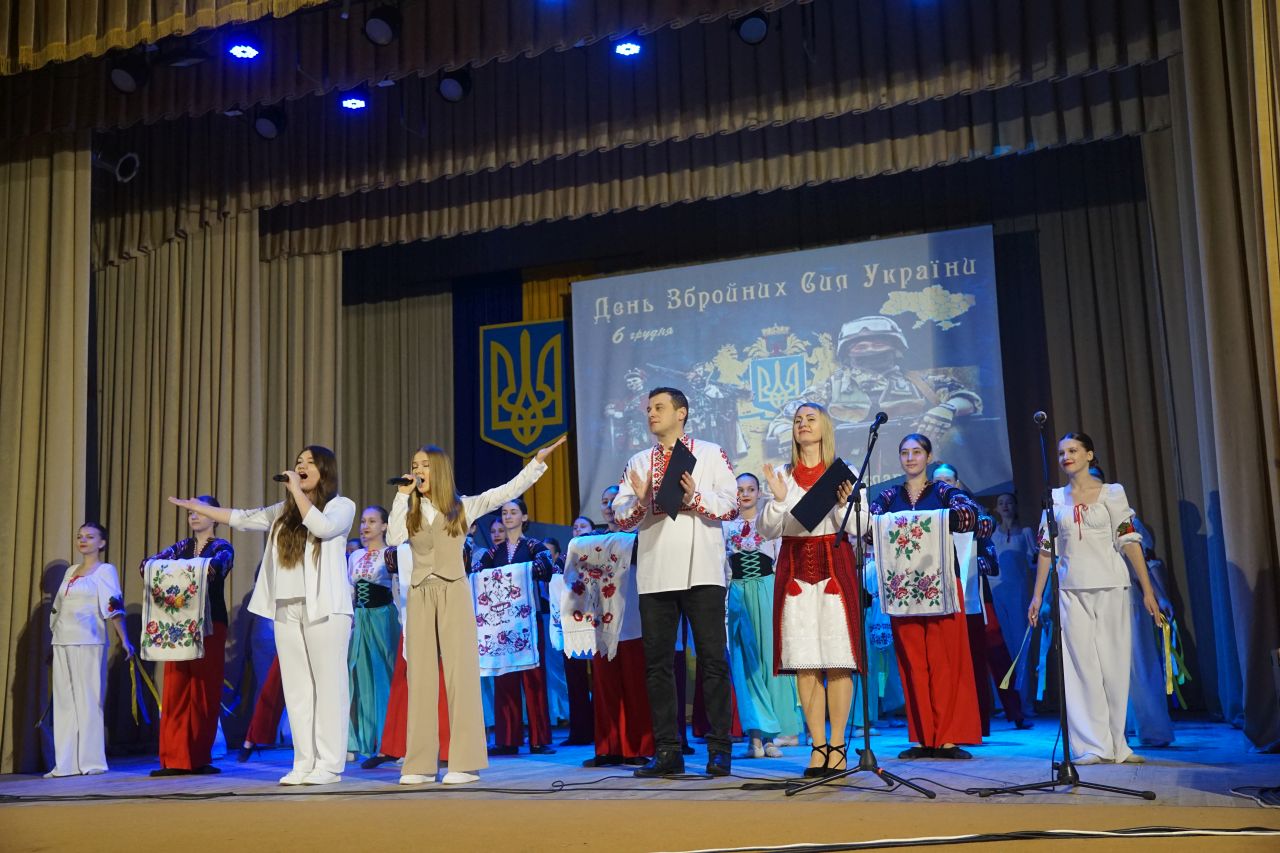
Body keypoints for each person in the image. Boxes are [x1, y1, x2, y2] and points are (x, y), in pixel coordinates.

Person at [171, 445, 356, 786]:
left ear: (325, 470)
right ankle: (303, 763)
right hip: (286, 606)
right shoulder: (283, 511)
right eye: (298, 461)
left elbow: (322, 528)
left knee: (329, 686)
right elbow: (242, 518)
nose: (300, 466)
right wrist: (200, 508)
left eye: (309, 462)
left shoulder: (341, 506)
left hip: (326, 608)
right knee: (297, 688)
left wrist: (297, 493)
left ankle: (329, 765)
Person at [387, 437, 566, 786]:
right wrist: (401, 496)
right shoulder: (409, 509)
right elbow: (394, 538)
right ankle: (420, 764)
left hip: (453, 590)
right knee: (420, 677)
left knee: (460, 675)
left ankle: (465, 762)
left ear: (439, 470)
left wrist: (536, 464)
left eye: (424, 465)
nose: (417, 470)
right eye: (414, 465)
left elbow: (506, 491)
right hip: (420, 593)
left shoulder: (463, 507)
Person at [613, 387, 739, 778]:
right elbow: (620, 518)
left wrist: (695, 496)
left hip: (703, 569)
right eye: (649, 408)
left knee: (712, 660)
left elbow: (731, 504)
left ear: (681, 413)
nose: (651, 413)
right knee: (658, 666)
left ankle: (719, 749)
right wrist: (640, 501)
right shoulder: (638, 461)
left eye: (659, 407)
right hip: (655, 572)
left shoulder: (710, 453)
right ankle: (667, 750)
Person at [1028, 434, 1162, 765]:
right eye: (1062, 452)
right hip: (1071, 591)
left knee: (1114, 665)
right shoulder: (1055, 499)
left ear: (1089, 454)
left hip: (1112, 586)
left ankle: (1117, 744)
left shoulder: (1112, 493)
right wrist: (1037, 595)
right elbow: (1046, 550)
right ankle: (1092, 745)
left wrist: (1148, 590)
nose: (1066, 456)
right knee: (1080, 668)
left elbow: (1130, 541)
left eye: (1073, 450)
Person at [758, 404, 863, 776]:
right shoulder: (783, 475)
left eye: (810, 419)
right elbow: (767, 529)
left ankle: (838, 745)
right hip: (796, 574)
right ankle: (817, 745)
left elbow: (860, 526)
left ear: (825, 427)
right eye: (797, 420)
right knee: (805, 663)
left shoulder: (844, 473)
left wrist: (843, 506)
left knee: (838, 661)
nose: (802, 424)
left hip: (834, 571)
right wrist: (778, 499)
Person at [868, 434, 985, 759]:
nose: (910, 458)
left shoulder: (944, 492)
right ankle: (922, 737)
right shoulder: (889, 496)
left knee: (944, 662)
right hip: (903, 589)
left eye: (916, 452)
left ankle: (946, 737)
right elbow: (868, 529)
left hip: (941, 585)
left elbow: (971, 517)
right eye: (904, 452)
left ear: (929, 457)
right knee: (913, 664)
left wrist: (927, 521)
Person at [140, 497, 235, 776]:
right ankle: (173, 758)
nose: (193, 516)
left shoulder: (223, 547)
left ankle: (198, 757)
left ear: (214, 517)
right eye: (190, 512)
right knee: (175, 688)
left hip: (210, 623)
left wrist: (177, 570)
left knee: (204, 690)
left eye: (199, 511)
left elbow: (214, 570)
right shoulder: (181, 547)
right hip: (179, 625)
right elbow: (147, 566)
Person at [932, 466, 1030, 734]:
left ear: (957, 483)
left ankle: (1014, 710)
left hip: (975, 595)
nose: (943, 485)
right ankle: (962, 720)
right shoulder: (929, 517)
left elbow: (991, 557)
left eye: (948, 480)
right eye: (938, 481)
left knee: (994, 652)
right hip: (941, 597)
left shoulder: (975, 514)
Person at [46, 523, 135, 777]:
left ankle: (91, 762)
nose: (83, 540)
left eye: (90, 537)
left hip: (89, 640)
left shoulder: (105, 570)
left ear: (102, 543)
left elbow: (113, 606)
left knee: (89, 700)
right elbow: (58, 606)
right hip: (62, 640)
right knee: (64, 702)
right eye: (80, 537)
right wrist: (54, 634)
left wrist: (124, 639)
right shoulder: (71, 571)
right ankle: (65, 764)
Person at [724, 472, 802, 760]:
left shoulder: (770, 522)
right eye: (740, 489)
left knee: (771, 664)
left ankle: (771, 737)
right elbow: (723, 568)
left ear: (759, 493)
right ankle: (754, 738)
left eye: (750, 489)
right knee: (746, 665)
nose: (745, 494)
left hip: (768, 592)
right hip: (738, 593)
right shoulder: (724, 526)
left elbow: (781, 563)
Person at [476, 498, 557, 755]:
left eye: (513, 512)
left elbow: (546, 568)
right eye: (504, 512)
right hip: (501, 624)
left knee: (534, 680)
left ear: (524, 517)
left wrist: (515, 571)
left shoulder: (534, 546)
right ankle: (507, 740)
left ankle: (539, 739)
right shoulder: (493, 553)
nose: (508, 516)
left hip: (528, 621)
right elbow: (477, 574)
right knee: (504, 677)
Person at [346, 506, 401, 761]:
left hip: (383, 618)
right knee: (360, 677)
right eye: (363, 521)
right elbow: (350, 590)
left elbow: (397, 589)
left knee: (385, 675)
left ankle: (391, 742)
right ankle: (365, 741)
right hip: (361, 619)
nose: (365, 526)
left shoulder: (391, 554)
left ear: (384, 526)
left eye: (372, 521)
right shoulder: (355, 555)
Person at [991, 491, 1038, 714]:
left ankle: (1025, 702)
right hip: (997, 594)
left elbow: (1035, 565)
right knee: (1002, 648)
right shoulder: (992, 535)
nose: (1005, 506)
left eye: (1009, 502)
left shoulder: (1025, 533)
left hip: (1018, 595)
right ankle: (1007, 703)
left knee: (1021, 647)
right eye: (1001, 503)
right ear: (996, 509)